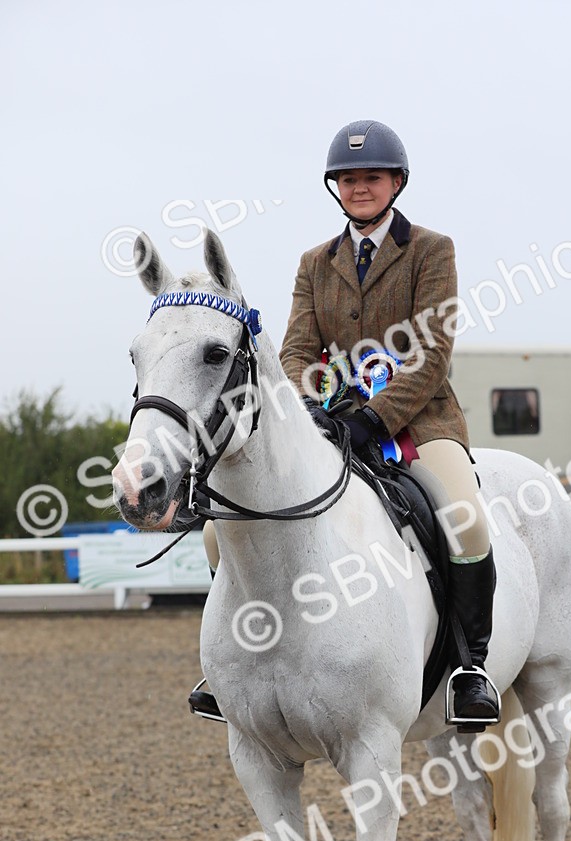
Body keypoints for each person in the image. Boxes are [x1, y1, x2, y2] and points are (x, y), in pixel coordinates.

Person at [191, 119, 499, 727]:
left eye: (372, 178)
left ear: (396, 183)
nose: (360, 188)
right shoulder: (315, 263)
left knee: (466, 520)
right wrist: (314, 407)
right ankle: (236, 663)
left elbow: (432, 355)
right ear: (336, 187)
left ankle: (471, 667)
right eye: (349, 179)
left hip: (419, 420)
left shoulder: (432, 251)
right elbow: (299, 351)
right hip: (330, 423)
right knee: (214, 532)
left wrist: (375, 420)